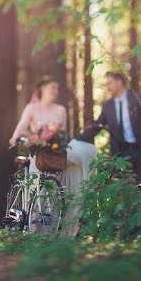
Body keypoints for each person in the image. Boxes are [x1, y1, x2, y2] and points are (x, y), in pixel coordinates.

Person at [8, 77, 98, 235]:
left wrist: (57, 140)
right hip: (39, 151)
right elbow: (22, 126)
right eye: (52, 87)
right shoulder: (31, 108)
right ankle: (34, 226)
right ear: (42, 88)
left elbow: (63, 134)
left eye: (57, 88)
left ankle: (65, 221)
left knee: (79, 158)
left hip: (55, 151)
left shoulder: (60, 110)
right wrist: (15, 138)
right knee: (38, 186)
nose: (55, 91)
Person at [77, 71, 141, 182]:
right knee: (124, 186)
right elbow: (98, 125)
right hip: (121, 152)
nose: (108, 87)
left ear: (120, 82)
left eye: (110, 83)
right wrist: (78, 139)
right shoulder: (107, 105)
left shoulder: (137, 99)